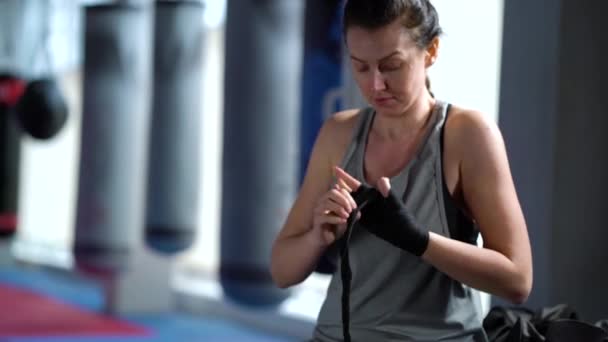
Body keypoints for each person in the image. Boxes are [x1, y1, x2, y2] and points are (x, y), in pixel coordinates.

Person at [270, 0, 532, 341]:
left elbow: (517, 281)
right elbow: (281, 271)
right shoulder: (338, 134)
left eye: (391, 66)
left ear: (431, 51)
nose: (376, 85)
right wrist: (317, 236)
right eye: (361, 68)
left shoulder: (466, 134)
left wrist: (417, 240)